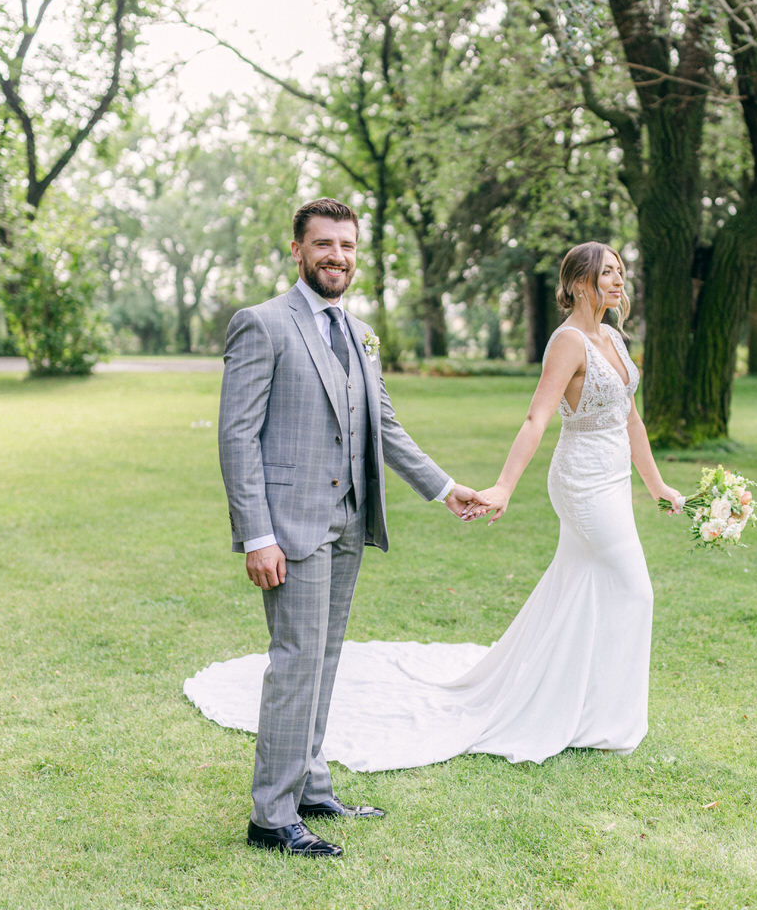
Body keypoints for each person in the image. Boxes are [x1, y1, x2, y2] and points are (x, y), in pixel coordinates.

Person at [190, 240, 685, 785]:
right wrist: (502, 485)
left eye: (620, 271)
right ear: (578, 283)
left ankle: (585, 710)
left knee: (582, 588)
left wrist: (655, 483)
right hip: (578, 483)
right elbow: (534, 421)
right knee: (634, 589)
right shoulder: (568, 342)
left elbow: (629, 419)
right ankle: (279, 809)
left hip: (608, 479)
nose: (617, 281)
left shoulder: (611, 337)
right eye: (606, 273)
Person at [216, 197, 487, 859]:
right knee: (295, 664)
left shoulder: (360, 333)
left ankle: (309, 785)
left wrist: (446, 489)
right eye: (324, 244)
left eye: (347, 246)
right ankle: (270, 818)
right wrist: (257, 535)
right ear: (297, 251)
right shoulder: (263, 325)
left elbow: (384, 427)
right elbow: (237, 437)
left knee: (325, 660)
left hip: (348, 523)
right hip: (290, 529)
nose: (338, 256)